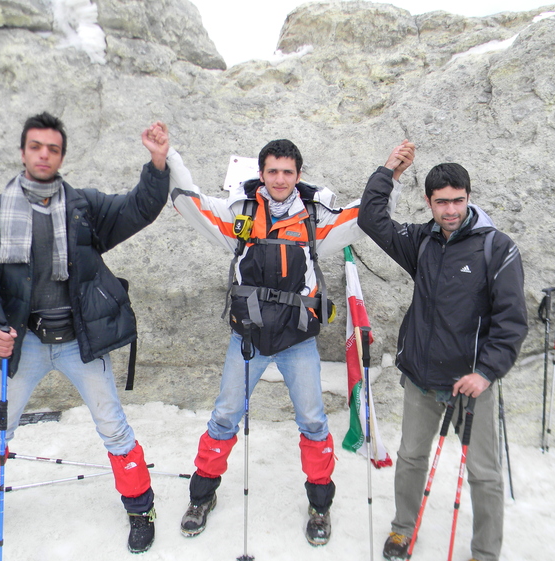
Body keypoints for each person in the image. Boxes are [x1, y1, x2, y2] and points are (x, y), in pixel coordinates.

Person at [165, 138, 406, 546]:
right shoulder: (238, 215)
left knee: (313, 421)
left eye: (287, 172)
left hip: (297, 339)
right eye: (272, 171)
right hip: (249, 339)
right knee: (224, 417)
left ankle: (319, 505)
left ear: (298, 175)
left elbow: (364, 215)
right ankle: (201, 497)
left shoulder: (314, 219)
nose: (279, 179)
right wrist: (169, 157)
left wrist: (390, 176)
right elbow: (190, 202)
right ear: (261, 173)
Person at [0, 112, 171, 556]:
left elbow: (138, 208)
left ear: (61, 155)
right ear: (23, 152)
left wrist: (158, 164)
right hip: (24, 343)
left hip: (78, 342)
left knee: (114, 427)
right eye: (36, 146)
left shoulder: (83, 208)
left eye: (52, 148)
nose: (44, 154)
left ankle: (140, 508)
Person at [357, 142, 527, 561]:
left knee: (483, 474)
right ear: (429, 202)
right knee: (411, 457)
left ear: (469, 198)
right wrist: (390, 170)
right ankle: (402, 531)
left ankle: (485, 552)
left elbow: (511, 323)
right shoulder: (420, 241)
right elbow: (371, 218)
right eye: (441, 202)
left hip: (472, 383)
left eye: (458, 200)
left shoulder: (497, 249)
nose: (450, 210)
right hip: (420, 377)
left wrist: (486, 372)